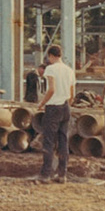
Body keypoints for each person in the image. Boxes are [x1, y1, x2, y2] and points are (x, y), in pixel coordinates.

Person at [35, 44, 75, 183]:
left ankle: (46, 174)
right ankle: (62, 174)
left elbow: (51, 89)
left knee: (49, 141)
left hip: (53, 107)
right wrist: (66, 104)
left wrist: (42, 103)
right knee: (63, 141)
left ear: (51, 56)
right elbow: (72, 94)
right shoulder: (69, 70)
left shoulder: (51, 69)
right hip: (65, 107)